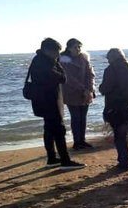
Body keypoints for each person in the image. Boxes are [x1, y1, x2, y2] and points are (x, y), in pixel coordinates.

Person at [26, 38, 85, 170]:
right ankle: (65, 160)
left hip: (42, 101)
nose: (58, 54)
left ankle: (52, 158)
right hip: (50, 101)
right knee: (59, 130)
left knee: (49, 129)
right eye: (56, 52)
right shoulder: (46, 63)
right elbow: (62, 78)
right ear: (48, 51)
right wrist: (57, 63)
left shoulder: (37, 60)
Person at [59, 38, 96, 150]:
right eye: (75, 47)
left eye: (79, 47)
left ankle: (82, 140)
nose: (78, 49)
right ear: (69, 48)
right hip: (72, 92)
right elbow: (69, 78)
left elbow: (90, 74)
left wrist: (90, 89)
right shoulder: (64, 60)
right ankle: (77, 142)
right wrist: (83, 89)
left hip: (86, 92)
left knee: (83, 117)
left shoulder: (84, 58)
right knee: (76, 117)